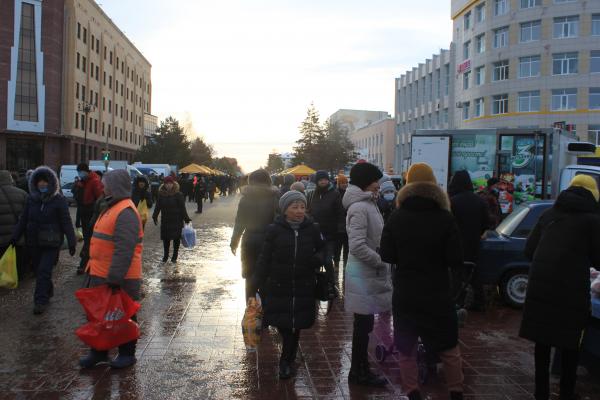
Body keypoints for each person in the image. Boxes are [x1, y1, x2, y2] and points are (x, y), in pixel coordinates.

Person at [380, 163, 464, 400]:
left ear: (407, 184)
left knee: (406, 347)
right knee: (448, 345)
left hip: (406, 291)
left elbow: (387, 254)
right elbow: (456, 257)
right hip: (438, 291)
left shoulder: (397, 217)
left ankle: (413, 392)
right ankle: (456, 392)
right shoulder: (445, 218)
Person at [520, 175, 600, 400]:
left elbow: (529, 250)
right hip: (571, 288)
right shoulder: (592, 220)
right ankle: (566, 392)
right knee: (571, 342)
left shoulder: (549, 214)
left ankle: (541, 393)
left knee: (542, 341)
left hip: (540, 287)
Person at [251, 190, 330, 379]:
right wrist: (254, 285)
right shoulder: (274, 229)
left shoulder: (312, 228)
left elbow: (324, 250)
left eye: (302, 207)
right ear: (285, 209)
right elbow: (264, 258)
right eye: (294, 207)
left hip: (304, 285)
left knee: (296, 326)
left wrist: (317, 259)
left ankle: (286, 361)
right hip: (280, 285)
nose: (299, 211)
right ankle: (288, 357)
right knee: (285, 326)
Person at [79, 169, 144, 369]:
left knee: (123, 317)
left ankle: (127, 354)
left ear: (114, 187)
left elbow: (124, 250)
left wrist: (114, 278)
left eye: (105, 184)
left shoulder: (125, 212)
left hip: (120, 278)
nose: (102, 187)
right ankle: (99, 352)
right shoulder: (111, 206)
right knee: (100, 317)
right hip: (101, 273)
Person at [343, 162, 391, 387]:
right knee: (362, 327)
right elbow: (357, 246)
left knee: (364, 326)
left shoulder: (367, 204)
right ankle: (359, 372)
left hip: (367, 274)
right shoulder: (360, 207)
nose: (378, 184)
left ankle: (360, 369)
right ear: (365, 182)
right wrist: (381, 262)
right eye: (375, 180)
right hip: (365, 275)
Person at [11, 166, 77, 315]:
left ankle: (40, 301)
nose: (42, 184)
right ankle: (47, 289)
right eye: (39, 181)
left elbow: (66, 221)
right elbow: (23, 219)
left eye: (45, 181)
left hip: (51, 242)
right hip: (33, 242)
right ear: (34, 183)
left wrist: (71, 241)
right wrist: (15, 237)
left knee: (43, 270)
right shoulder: (31, 199)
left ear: (51, 183)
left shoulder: (59, 200)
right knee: (39, 270)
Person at [230, 169, 279, 298]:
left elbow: (239, 223)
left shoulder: (245, 199)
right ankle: (266, 309)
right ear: (268, 181)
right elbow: (278, 220)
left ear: (251, 181)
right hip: (269, 241)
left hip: (249, 240)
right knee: (267, 275)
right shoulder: (274, 197)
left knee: (249, 276)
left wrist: (234, 242)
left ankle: (251, 309)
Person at [448, 170, 491, 311]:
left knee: (456, 275)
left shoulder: (452, 201)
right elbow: (487, 223)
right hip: (474, 243)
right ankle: (479, 302)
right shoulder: (480, 201)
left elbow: (447, 224)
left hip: (456, 244)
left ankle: (457, 302)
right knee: (474, 274)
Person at [307, 170, 345, 273]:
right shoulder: (312, 194)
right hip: (315, 233)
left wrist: (340, 229)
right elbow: (308, 211)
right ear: (316, 182)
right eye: (320, 180)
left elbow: (340, 212)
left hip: (330, 234)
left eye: (325, 180)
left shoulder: (335, 194)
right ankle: (317, 283)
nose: (323, 182)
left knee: (328, 261)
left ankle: (330, 283)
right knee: (316, 260)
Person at [152, 176, 191, 263]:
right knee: (166, 239)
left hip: (177, 220)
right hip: (166, 220)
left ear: (173, 184)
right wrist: (155, 216)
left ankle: (174, 256)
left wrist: (186, 218)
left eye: (170, 183)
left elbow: (182, 208)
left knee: (176, 239)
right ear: (164, 184)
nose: (168, 185)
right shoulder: (161, 195)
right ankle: (165, 256)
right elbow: (157, 207)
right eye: (166, 183)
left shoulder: (178, 194)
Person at [74, 163, 104, 275]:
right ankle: (87, 263)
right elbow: (79, 201)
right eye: (78, 172)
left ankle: (85, 264)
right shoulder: (82, 182)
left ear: (86, 171)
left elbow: (100, 200)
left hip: (91, 214)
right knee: (88, 240)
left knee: (90, 241)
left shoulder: (94, 182)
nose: (80, 174)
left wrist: (96, 215)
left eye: (81, 172)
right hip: (84, 213)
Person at [0, 170, 28, 278]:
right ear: (10, 179)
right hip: (17, 235)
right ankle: (17, 277)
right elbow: (27, 215)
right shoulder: (22, 193)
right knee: (17, 258)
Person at [333, 174, 349, 269]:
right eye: (342, 183)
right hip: (338, 226)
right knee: (337, 248)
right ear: (339, 183)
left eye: (346, 182)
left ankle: (346, 265)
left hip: (348, 226)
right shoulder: (335, 194)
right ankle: (336, 264)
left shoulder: (349, 193)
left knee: (347, 248)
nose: (345, 184)